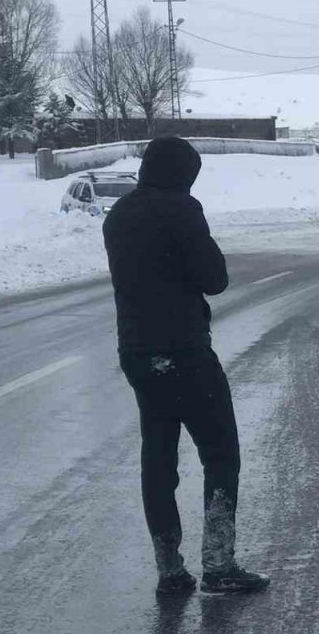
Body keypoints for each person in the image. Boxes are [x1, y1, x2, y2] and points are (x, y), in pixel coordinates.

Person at [103, 137, 269, 595]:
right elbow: (214, 279)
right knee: (220, 455)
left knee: (158, 459)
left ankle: (169, 569)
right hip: (185, 350)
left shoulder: (119, 214)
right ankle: (219, 564)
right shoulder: (180, 209)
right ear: (184, 172)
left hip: (137, 353)